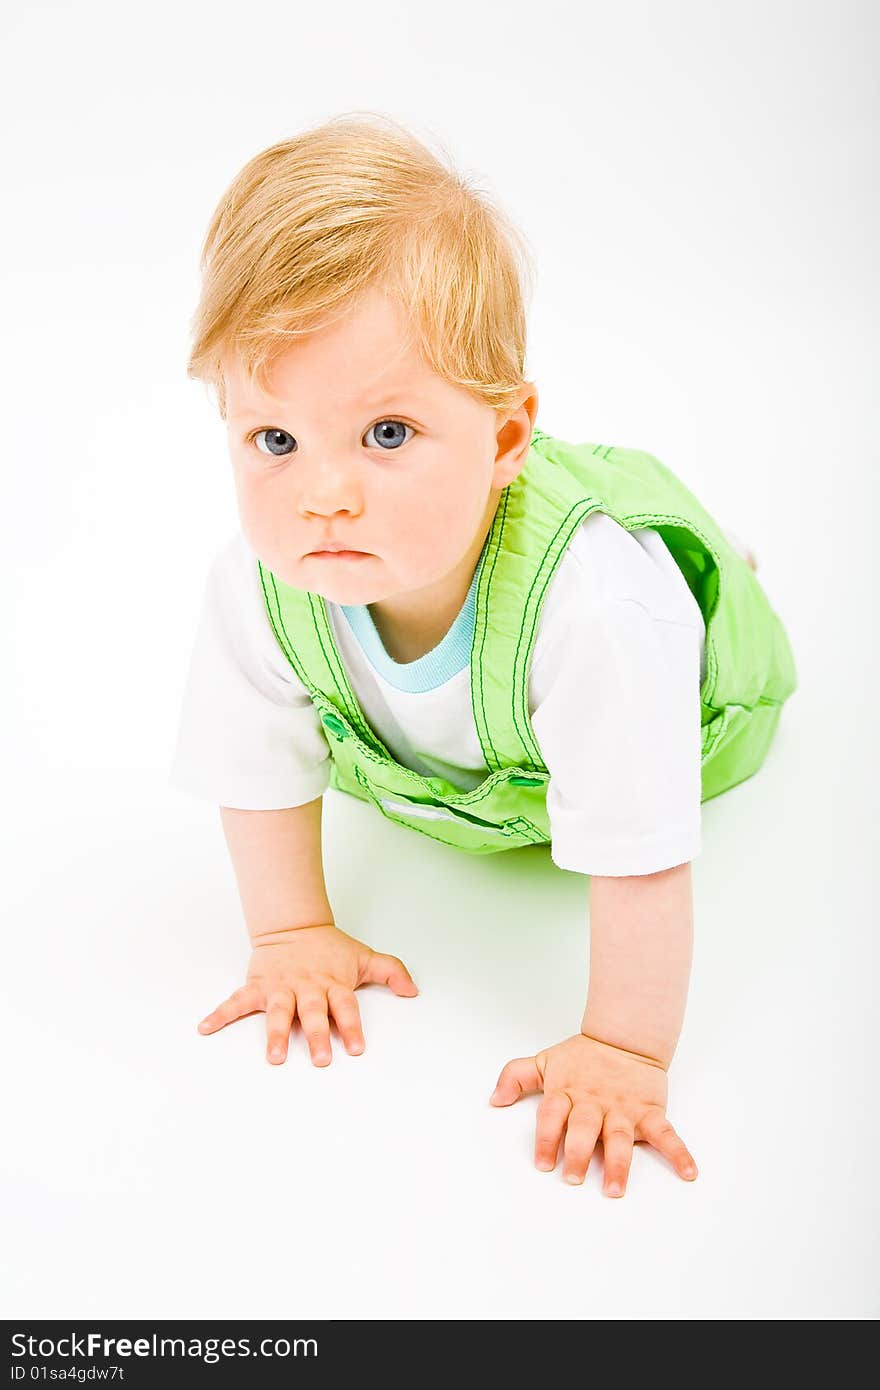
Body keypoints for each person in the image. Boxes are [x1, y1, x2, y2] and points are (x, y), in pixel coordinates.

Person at [169, 112, 797, 1198]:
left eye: (387, 433)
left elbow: (642, 852)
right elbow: (254, 765)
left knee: (646, 629)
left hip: (685, 714)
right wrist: (292, 929)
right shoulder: (264, 581)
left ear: (505, 438)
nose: (324, 494)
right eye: (275, 440)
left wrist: (624, 1050)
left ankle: (705, 569)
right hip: (483, 761)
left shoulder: (593, 617)